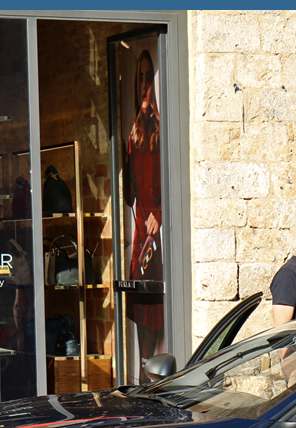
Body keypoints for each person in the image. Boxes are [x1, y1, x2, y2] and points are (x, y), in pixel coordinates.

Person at [125, 49, 165, 375]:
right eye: (139, 78)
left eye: (147, 77)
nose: (143, 85)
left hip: (155, 224)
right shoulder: (134, 131)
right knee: (139, 295)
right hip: (140, 223)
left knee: (153, 298)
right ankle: (142, 368)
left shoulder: (162, 130)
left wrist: (161, 213)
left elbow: (174, 177)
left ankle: (150, 372)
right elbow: (128, 189)